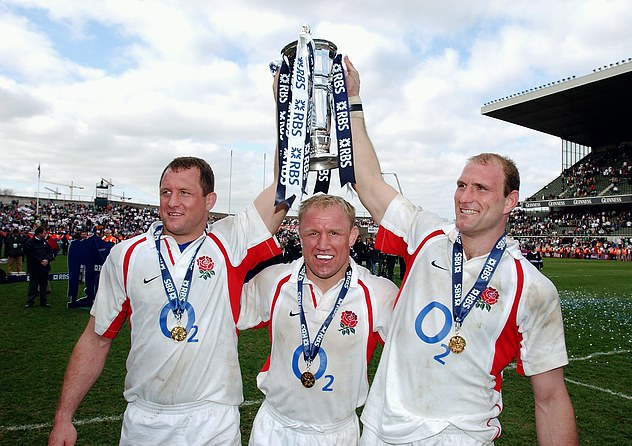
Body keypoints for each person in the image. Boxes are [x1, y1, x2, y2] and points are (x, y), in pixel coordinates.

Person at [343, 57, 578, 445]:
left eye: (481, 189)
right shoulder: (427, 235)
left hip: (461, 436)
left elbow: (550, 397)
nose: (465, 197)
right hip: (384, 431)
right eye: (461, 185)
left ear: (509, 201)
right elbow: (368, 183)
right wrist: (353, 102)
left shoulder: (531, 287)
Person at [49, 156, 287, 446]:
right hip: (145, 422)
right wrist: (63, 417)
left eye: (185, 193)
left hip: (213, 421)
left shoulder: (229, 242)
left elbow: (281, 188)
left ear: (209, 200)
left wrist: (285, 112)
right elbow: (96, 339)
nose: (172, 202)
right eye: (166, 192)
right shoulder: (127, 256)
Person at [237, 194, 398, 445]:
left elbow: (415, 352)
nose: (323, 244)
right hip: (275, 429)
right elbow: (221, 309)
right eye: (312, 233)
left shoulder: (379, 292)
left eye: (334, 233)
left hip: (337, 433)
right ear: (299, 234)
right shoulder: (274, 281)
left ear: (353, 236)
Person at [24, 226, 55, 307]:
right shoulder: (30, 242)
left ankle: (43, 301)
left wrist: (47, 260)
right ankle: (30, 301)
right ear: (39, 233)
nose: (45, 234)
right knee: (33, 285)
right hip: (34, 268)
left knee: (44, 285)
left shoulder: (45, 242)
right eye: (44, 233)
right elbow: (30, 254)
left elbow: (50, 251)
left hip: (44, 268)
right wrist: (41, 261)